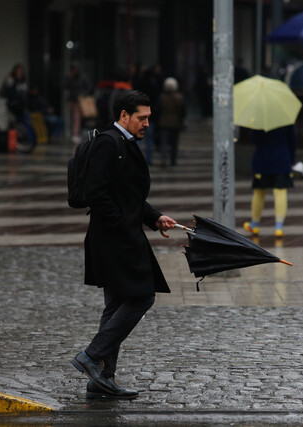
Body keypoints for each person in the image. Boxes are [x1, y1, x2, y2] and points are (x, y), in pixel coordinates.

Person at [70, 90, 177, 399]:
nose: (146, 124)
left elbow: (127, 194)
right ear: (124, 116)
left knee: (116, 303)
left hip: (117, 234)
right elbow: (97, 192)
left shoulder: (123, 143)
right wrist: (123, 225)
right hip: (115, 238)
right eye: (141, 118)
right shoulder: (109, 143)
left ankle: (102, 378)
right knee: (142, 296)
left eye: (148, 118)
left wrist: (155, 217)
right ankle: (92, 355)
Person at [243, 124, 297, 238]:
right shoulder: (285, 118)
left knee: (259, 192)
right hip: (282, 159)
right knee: (280, 192)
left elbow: (254, 139)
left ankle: (255, 224)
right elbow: (292, 140)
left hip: (262, 160)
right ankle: (279, 227)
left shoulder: (260, 118)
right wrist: (291, 159)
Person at [156, 77, 186, 167]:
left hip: (164, 122)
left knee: (164, 142)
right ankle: (173, 160)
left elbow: (158, 110)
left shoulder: (161, 97)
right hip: (175, 123)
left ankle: (164, 159)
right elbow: (183, 111)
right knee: (174, 143)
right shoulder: (180, 98)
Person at [66, 64, 90, 144]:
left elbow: (88, 87)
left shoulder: (82, 78)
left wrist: (83, 95)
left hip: (79, 101)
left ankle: (76, 134)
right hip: (72, 100)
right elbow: (66, 86)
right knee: (72, 118)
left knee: (77, 118)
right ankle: (73, 133)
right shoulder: (70, 78)